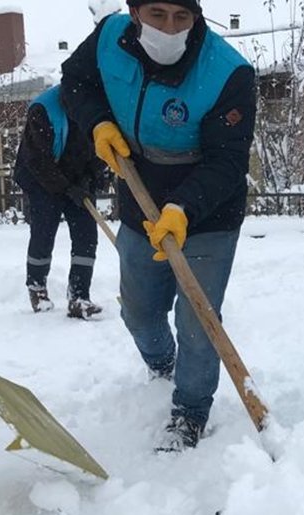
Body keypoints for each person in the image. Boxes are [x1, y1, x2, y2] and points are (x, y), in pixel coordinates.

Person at [61, 0, 255, 451]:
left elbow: (228, 162)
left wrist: (184, 207)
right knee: (139, 310)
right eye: (157, 14)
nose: (169, 27)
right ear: (133, 11)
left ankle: (190, 409)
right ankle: (163, 365)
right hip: (139, 194)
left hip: (208, 211)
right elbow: (76, 81)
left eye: (181, 17)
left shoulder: (228, 72)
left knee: (197, 319)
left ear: (197, 16)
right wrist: (98, 123)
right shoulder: (110, 37)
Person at [12, 85, 107, 319]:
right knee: (44, 231)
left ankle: (79, 296)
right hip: (41, 176)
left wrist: (90, 178)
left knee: (86, 234)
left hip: (77, 174)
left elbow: (102, 150)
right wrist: (65, 188)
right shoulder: (43, 110)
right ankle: (37, 289)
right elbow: (37, 161)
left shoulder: (96, 109)